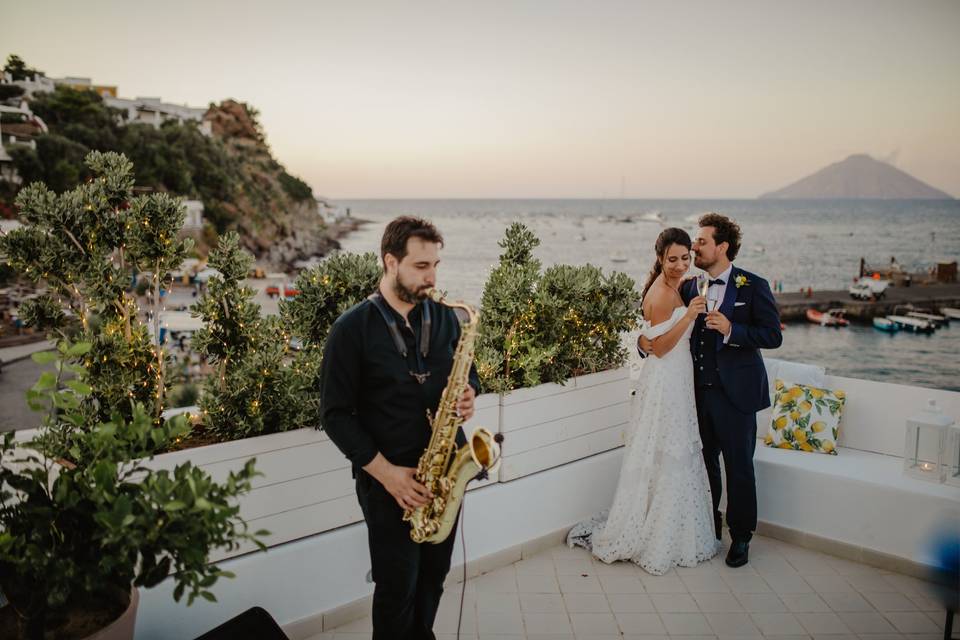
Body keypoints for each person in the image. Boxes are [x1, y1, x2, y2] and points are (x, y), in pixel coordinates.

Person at [320, 216, 479, 640]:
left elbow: (469, 374)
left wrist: (468, 394)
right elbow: (335, 415)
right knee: (396, 589)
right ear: (391, 262)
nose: (432, 277)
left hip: (444, 474)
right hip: (389, 481)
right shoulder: (352, 329)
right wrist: (388, 475)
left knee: (433, 578)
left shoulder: (446, 318)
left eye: (436, 265)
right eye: (421, 266)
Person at [568, 227, 719, 575]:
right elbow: (662, 349)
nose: (681, 265)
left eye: (685, 258)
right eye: (673, 259)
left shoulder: (674, 285)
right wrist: (692, 315)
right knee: (667, 451)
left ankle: (676, 531)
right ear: (660, 259)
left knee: (673, 450)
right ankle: (657, 535)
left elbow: (652, 337)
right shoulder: (663, 294)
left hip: (677, 379)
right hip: (667, 380)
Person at [640, 213, 782, 568]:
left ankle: (742, 537)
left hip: (736, 395)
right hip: (694, 395)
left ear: (722, 246)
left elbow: (772, 335)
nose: (694, 247)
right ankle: (709, 528)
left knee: (739, 467)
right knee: (703, 466)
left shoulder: (753, 285)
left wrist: (733, 330)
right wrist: (644, 344)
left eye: (701, 242)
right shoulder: (687, 286)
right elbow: (656, 325)